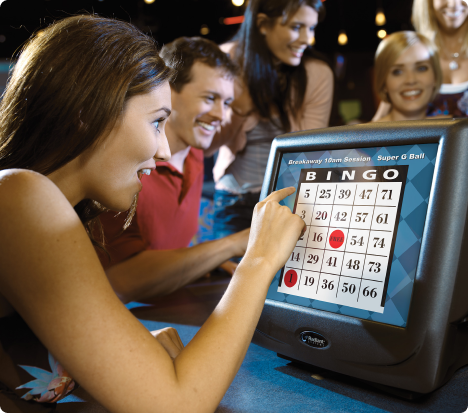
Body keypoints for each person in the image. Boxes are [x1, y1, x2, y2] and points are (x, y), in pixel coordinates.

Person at [0, 15, 304, 413]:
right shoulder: (21, 194)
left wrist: (121, 362)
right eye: (157, 122)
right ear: (89, 112)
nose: (163, 152)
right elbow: (177, 407)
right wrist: (259, 259)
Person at [98, 37, 249, 304]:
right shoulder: (125, 159)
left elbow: (165, 247)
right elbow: (121, 281)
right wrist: (231, 245)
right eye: (210, 98)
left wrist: (197, 263)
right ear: (166, 91)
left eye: (226, 103)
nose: (221, 116)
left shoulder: (196, 155)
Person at [206, 0, 333, 239]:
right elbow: (206, 146)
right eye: (297, 27)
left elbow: (312, 152)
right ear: (263, 24)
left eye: (312, 28)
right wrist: (239, 110)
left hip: (291, 200)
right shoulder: (226, 61)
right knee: (232, 275)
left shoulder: (317, 72)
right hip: (235, 199)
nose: (307, 39)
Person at [373, 0, 468, 120]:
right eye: (398, 71)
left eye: (421, 68)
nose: (453, 4)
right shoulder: (414, 52)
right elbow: (379, 124)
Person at [372, 31, 442, 123]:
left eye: (421, 68)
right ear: (384, 83)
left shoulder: (458, 130)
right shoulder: (366, 136)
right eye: (397, 72)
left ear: (435, 76)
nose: (411, 80)